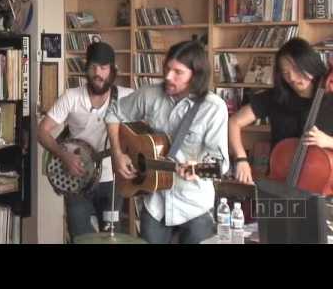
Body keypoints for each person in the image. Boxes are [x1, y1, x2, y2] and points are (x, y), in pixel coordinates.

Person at [106, 40, 229, 244]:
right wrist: (118, 154)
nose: (168, 76)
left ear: (195, 74)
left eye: (178, 72)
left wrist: (197, 168)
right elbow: (113, 113)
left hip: (194, 207)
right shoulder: (150, 94)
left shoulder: (213, 108)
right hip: (155, 204)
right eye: (167, 68)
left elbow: (220, 165)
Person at [38, 42, 134, 240]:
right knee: (81, 238)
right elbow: (42, 131)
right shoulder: (71, 97)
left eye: (103, 68)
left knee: (112, 238)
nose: (98, 73)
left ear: (113, 70)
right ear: (86, 69)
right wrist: (64, 156)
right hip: (77, 181)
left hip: (113, 182)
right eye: (93, 67)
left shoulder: (127, 97)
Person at [229, 37, 333, 184]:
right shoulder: (276, 97)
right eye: (285, 72)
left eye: (297, 69)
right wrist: (241, 159)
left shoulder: (330, 97)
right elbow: (234, 122)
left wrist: (328, 141)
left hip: (324, 185)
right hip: (281, 181)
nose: (292, 78)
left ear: (310, 65)